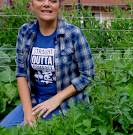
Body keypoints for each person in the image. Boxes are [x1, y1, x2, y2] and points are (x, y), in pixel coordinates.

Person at [0, 0, 94, 128]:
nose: (46, 4)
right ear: (31, 4)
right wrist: (28, 114)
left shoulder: (73, 34)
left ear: (59, 5)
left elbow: (87, 75)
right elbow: (21, 74)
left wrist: (56, 99)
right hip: (35, 102)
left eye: (53, 1)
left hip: (66, 104)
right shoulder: (25, 32)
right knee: (5, 131)